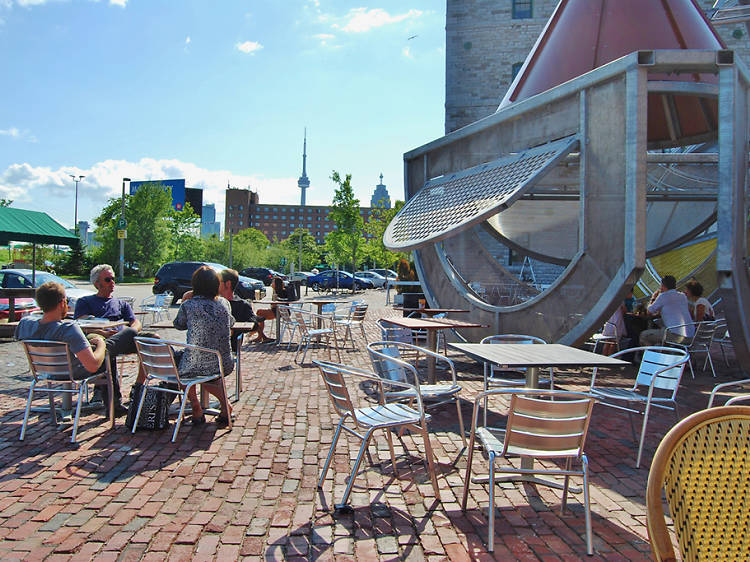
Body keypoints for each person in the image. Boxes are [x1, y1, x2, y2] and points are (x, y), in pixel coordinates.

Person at [74, 264, 149, 415]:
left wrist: (130, 332)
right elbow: (80, 325)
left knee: (153, 339)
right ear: (97, 284)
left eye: (113, 279)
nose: (112, 282)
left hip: (122, 337)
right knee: (102, 346)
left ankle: (138, 387)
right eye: (108, 279)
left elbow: (136, 322)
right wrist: (101, 331)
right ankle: (113, 403)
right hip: (98, 336)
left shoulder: (122, 303)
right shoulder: (85, 302)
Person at [15, 281, 108, 398]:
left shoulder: (25, 324)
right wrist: (101, 344)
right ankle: (110, 405)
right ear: (62, 303)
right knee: (108, 352)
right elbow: (92, 366)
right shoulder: (69, 329)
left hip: (44, 372)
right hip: (73, 372)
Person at [170, 266, 234, 426]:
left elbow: (178, 324)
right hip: (223, 362)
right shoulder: (224, 303)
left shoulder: (189, 305)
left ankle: (196, 407)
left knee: (183, 367)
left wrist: (185, 300)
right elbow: (231, 322)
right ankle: (226, 406)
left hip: (197, 363)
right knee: (207, 372)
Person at [219, 269, 272, 345]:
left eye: (218, 281)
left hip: (229, 350)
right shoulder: (213, 303)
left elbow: (254, 325)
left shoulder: (242, 305)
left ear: (228, 284)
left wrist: (235, 329)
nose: (215, 284)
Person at [639, 275, 694, 346]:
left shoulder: (662, 296)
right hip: (691, 335)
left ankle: (652, 356)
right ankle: (666, 352)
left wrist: (653, 298)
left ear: (663, 286)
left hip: (677, 336)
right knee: (660, 337)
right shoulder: (683, 296)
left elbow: (649, 311)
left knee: (644, 336)